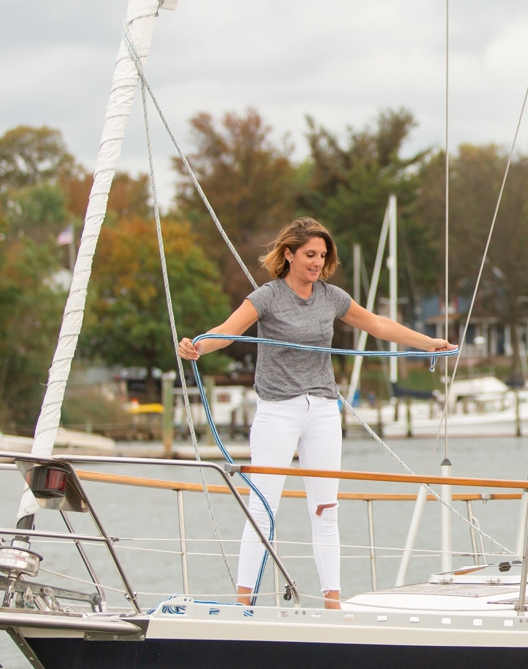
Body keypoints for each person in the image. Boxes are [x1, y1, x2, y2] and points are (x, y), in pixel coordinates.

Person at [177, 218, 454, 608]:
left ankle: (332, 603)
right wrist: (197, 347)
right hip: (278, 411)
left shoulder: (331, 297)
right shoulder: (267, 297)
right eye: (309, 255)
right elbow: (228, 331)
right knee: (263, 505)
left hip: (323, 409)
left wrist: (427, 343)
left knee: (326, 508)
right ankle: (243, 603)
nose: (317, 263)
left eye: (322, 256)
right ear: (288, 254)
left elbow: (376, 324)